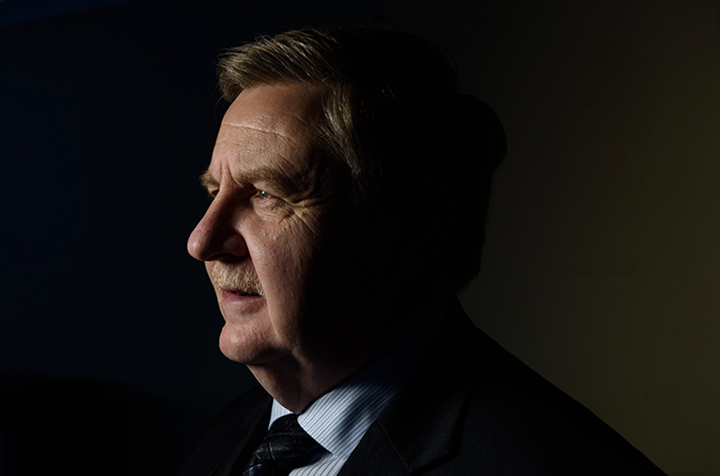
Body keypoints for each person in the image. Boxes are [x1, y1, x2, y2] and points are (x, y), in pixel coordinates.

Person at [181, 26, 666, 475]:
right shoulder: (229, 437)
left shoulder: (552, 462)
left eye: (267, 194)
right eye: (212, 192)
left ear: (414, 229)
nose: (202, 241)